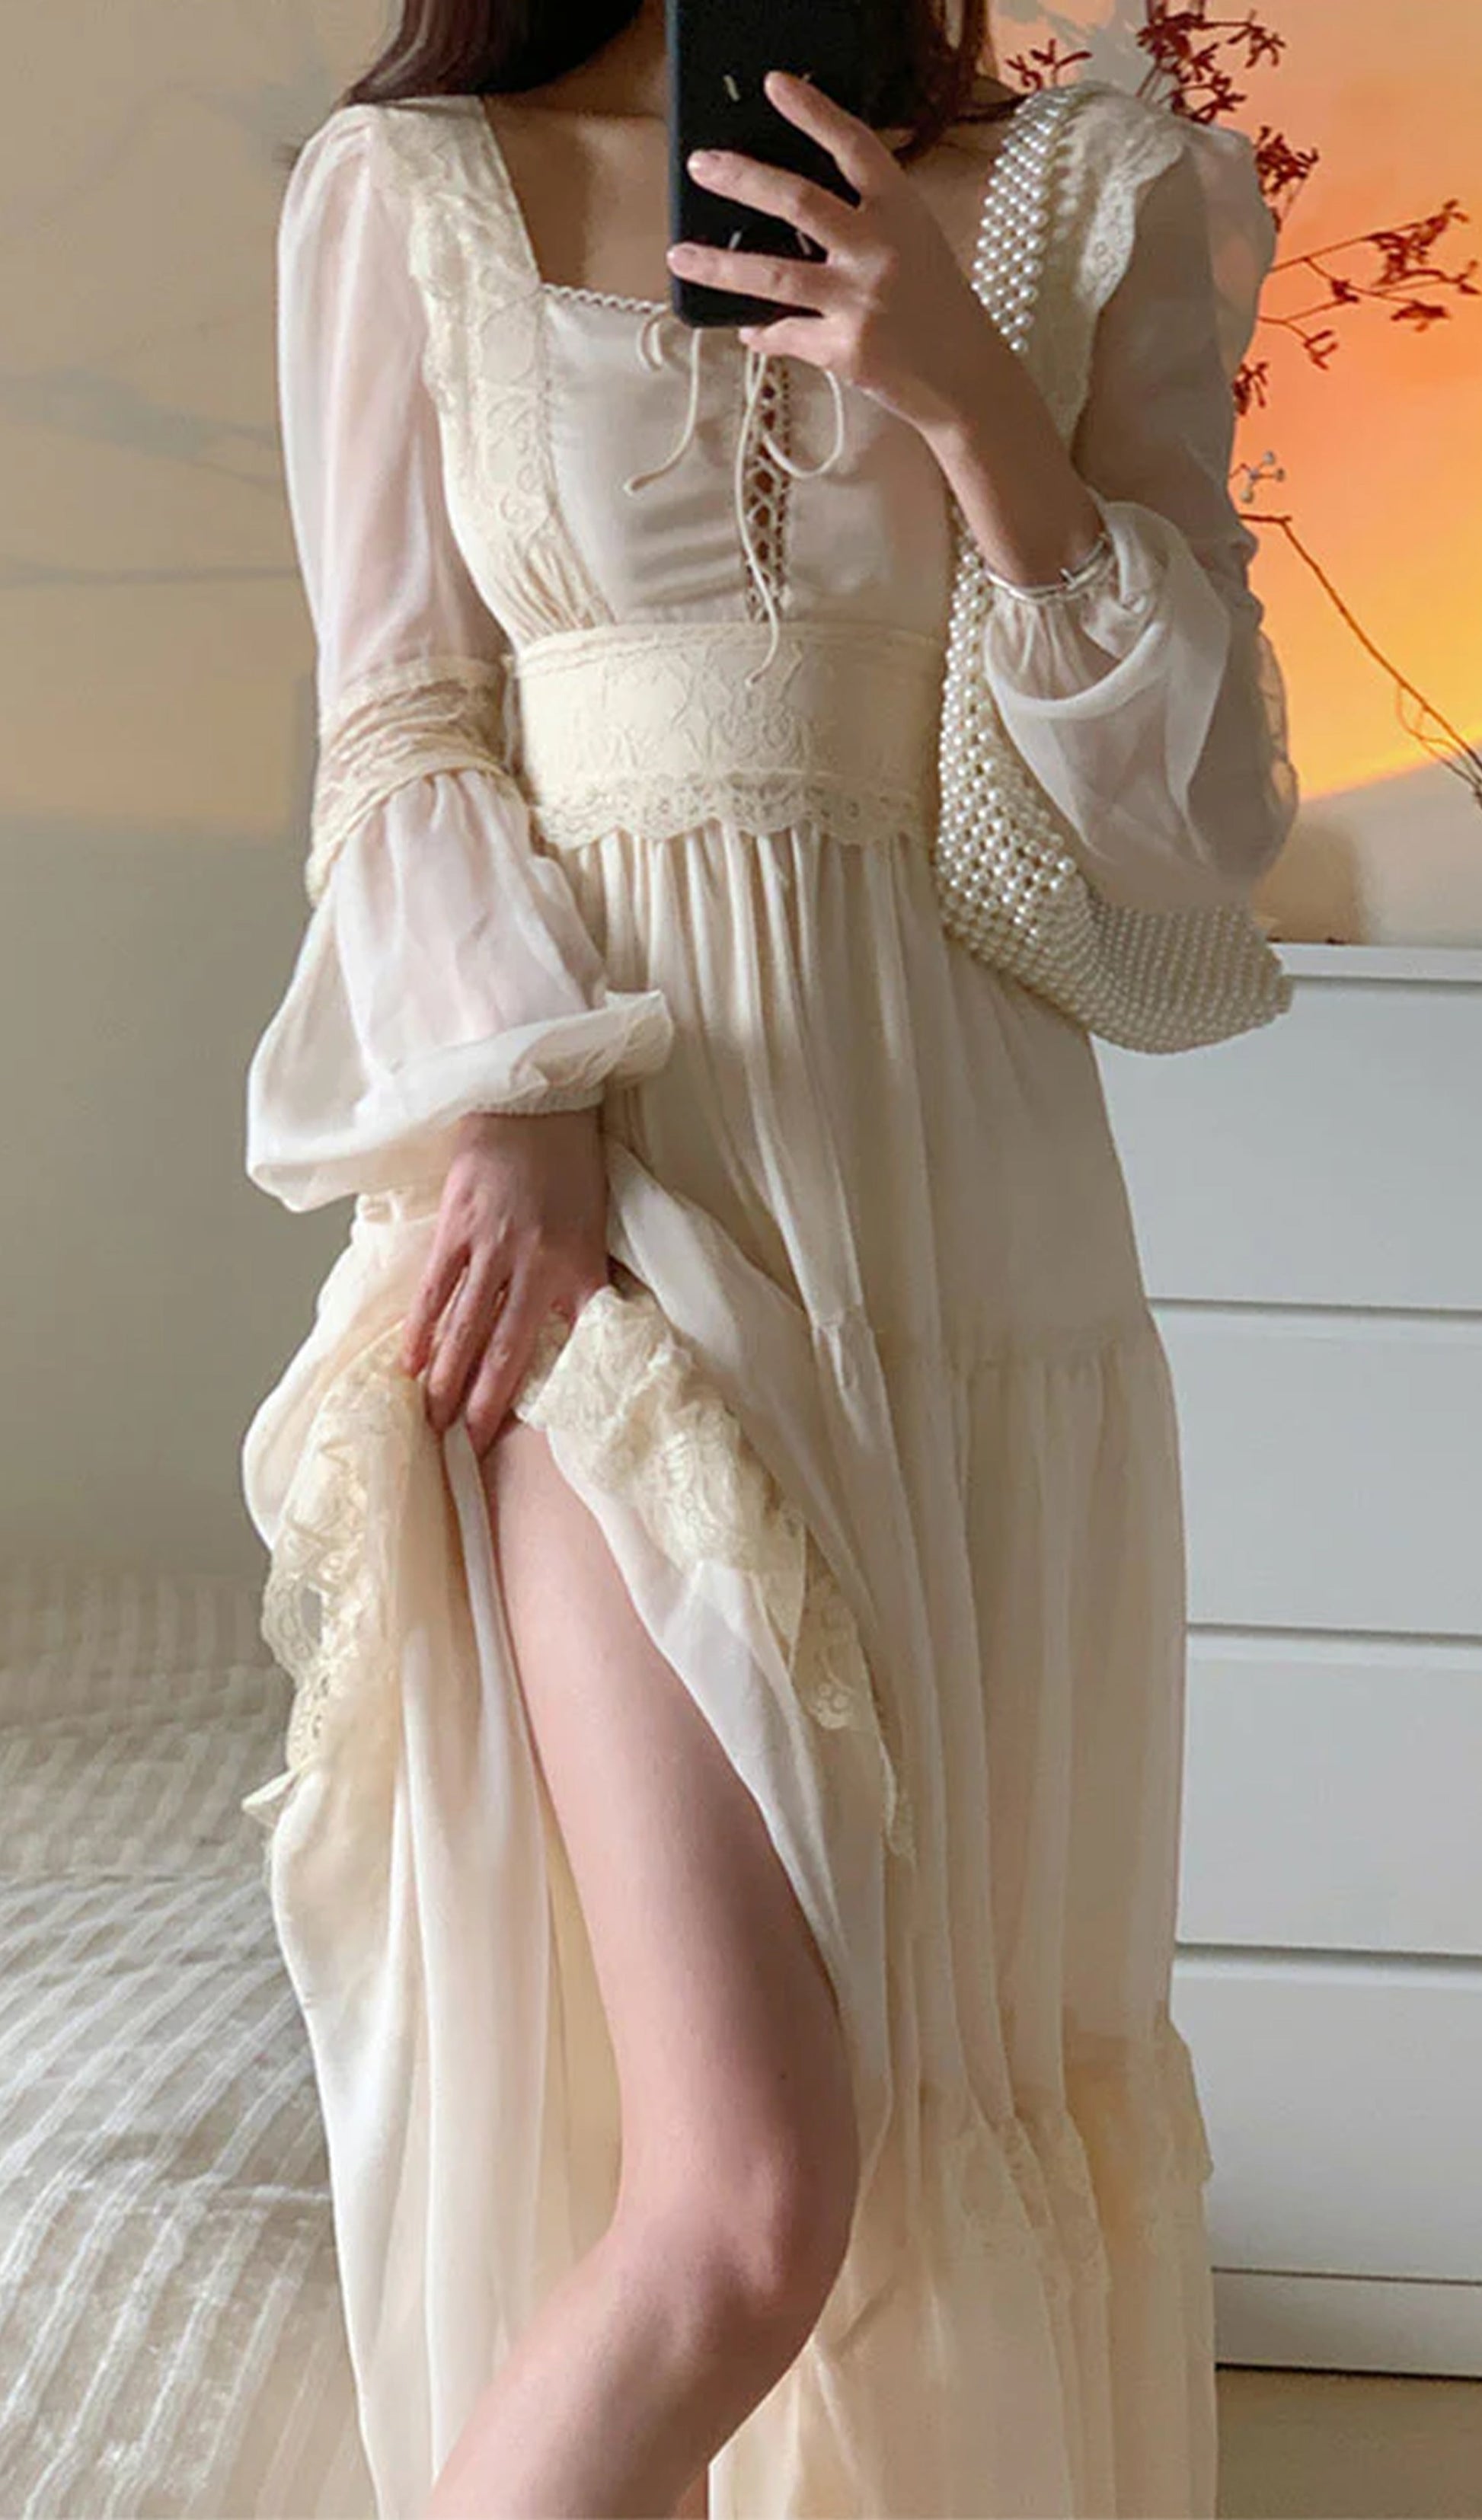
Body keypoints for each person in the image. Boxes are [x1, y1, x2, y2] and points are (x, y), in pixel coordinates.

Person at [239, 1, 1298, 2514]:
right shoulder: (414, 193)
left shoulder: (1098, 196)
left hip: (981, 1242)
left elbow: (1192, 822)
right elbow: (400, 726)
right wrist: (515, 1096)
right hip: (604, 1202)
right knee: (749, 2196)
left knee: (944, 2121)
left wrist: (973, 404)